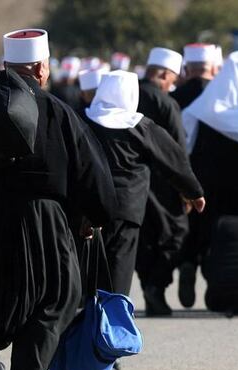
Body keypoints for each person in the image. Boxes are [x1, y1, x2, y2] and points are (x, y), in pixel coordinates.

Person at [0, 29, 117, 370]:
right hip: (44, 222)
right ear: (42, 68)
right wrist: (92, 215)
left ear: (6, 67)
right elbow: (91, 175)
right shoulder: (58, 111)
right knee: (55, 299)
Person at [84, 71, 206, 295]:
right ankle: (112, 321)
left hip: (88, 206)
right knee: (118, 268)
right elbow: (172, 157)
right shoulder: (140, 125)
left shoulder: (81, 120)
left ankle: (89, 319)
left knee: (88, 266)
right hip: (126, 208)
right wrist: (193, 191)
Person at [182, 50, 238, 269]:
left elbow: (189, 144)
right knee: (232, 239)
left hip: (204, 184)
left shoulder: (205, 105)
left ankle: (193, 264)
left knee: (204, 231)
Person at [135, 47, 189, 315]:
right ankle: (156, 286)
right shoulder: (166, 103)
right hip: (164, 183)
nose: (174, 84)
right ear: (164, 74)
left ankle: (149, 286)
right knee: (176, 234)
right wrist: (187, 188)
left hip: (132, 180)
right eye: (173, 78)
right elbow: (178, 151)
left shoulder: (128, 94)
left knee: (143, 238)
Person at [172, 43, 218, 307]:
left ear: (186, 69)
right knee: (212, 230)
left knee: (187, 229)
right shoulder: (222, 95)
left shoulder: (175, 97)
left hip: (181, 174)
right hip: (215, 178)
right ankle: (212, 281)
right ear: (212, 68)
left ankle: (187, 263)